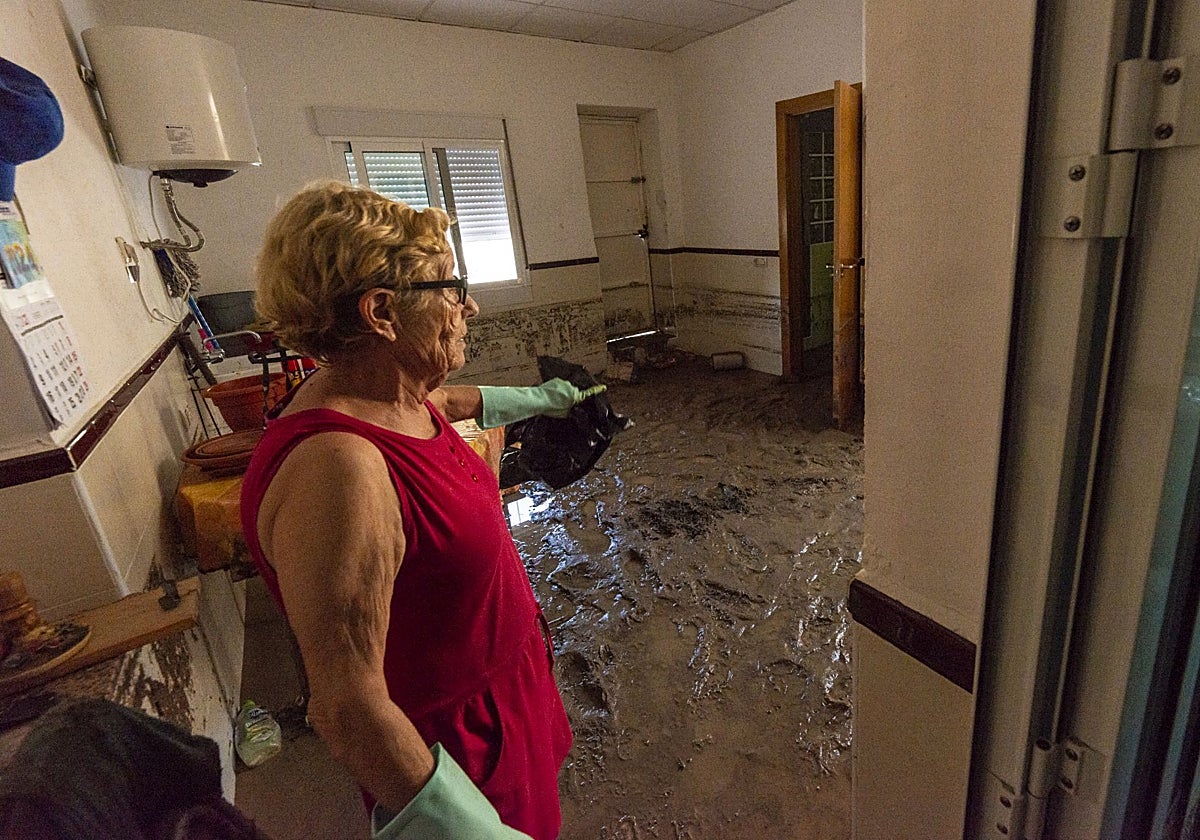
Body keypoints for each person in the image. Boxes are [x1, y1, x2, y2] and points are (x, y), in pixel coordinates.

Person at [239, 181, 601, 839]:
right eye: (448, 288)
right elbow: (349, 709)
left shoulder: (397, 392)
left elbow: (457, 405)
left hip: (507, 689)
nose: (469, 305)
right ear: (381, 311)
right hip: (454, 751)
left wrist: (546, 400)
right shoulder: (338, 468)